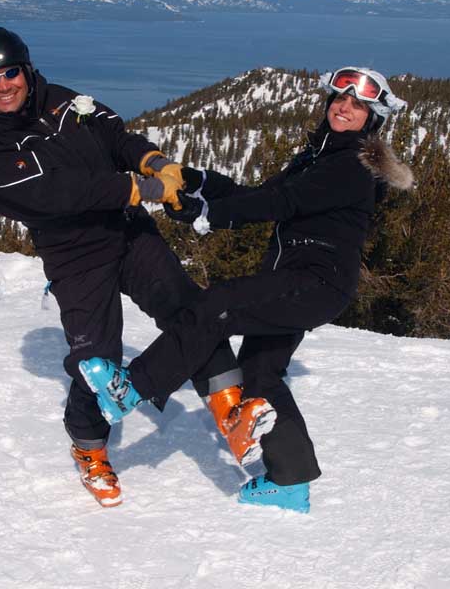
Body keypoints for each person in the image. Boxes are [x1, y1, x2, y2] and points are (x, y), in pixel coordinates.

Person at [0, 27, 275, 508]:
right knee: (97, 362)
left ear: (26, 69)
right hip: (74, 252)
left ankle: (231, 413)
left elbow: (113, 134)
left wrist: (154, 162)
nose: (3, 85)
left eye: (10, 72)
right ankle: (89, 449)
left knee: (191, 311)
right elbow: (62, 192)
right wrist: (142, 189)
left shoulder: (62, 102)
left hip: (127, 231)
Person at [80, 66, 414, 513]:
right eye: (339, 99)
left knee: (214, 306)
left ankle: (132, 388)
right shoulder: (321, 156)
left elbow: (282, 204)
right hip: (303, 281)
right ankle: (290, 481)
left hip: (313, 283)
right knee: (260, 370)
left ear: (373, 118)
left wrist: (210, 218)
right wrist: (197, 184)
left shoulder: (352, 167)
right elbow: (255, 191)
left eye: (357, 105)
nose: (344, 108)